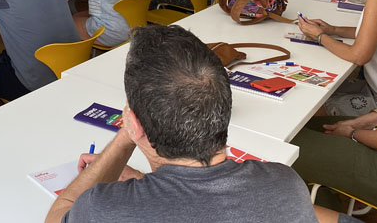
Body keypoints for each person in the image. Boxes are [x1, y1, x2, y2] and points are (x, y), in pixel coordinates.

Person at [46, 24, 327, 223]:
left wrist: (125, 138)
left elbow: (59, 213)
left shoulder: (104, 209)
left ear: (134, 124)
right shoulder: (286, 184)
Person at [291, 103, 377, 214]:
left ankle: (324, 213)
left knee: (290, 146)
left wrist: (352, 133)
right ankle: (324, 207)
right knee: (300, 125)